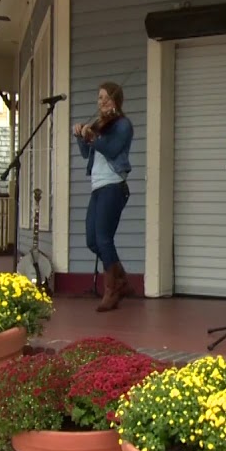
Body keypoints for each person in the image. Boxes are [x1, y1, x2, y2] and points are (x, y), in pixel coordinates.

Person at [74, 81, 134, 312]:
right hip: (97, 185)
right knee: (92, 239)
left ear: (116, 101)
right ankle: (121, 279)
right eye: (99, 98)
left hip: (113, 185)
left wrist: (93, 137)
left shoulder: (122, 125)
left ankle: (112, 288)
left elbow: (111, 149)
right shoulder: (100, 124)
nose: (102, 102)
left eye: (106, 98)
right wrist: (81, 135)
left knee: (104, 238)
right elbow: (85, 153)